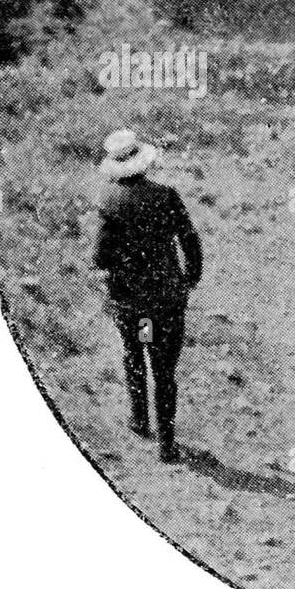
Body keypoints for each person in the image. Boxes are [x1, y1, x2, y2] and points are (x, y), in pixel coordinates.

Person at [92, 129, 203, 464]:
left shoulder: (109, 203)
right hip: (166, 299)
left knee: (135, 354)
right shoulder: (166, 196)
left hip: (133, 304)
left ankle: (139, 418)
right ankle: (167, 443)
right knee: (164, 369)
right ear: (143, 162)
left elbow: (100, 257)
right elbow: (190, 239)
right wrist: (189, 278)